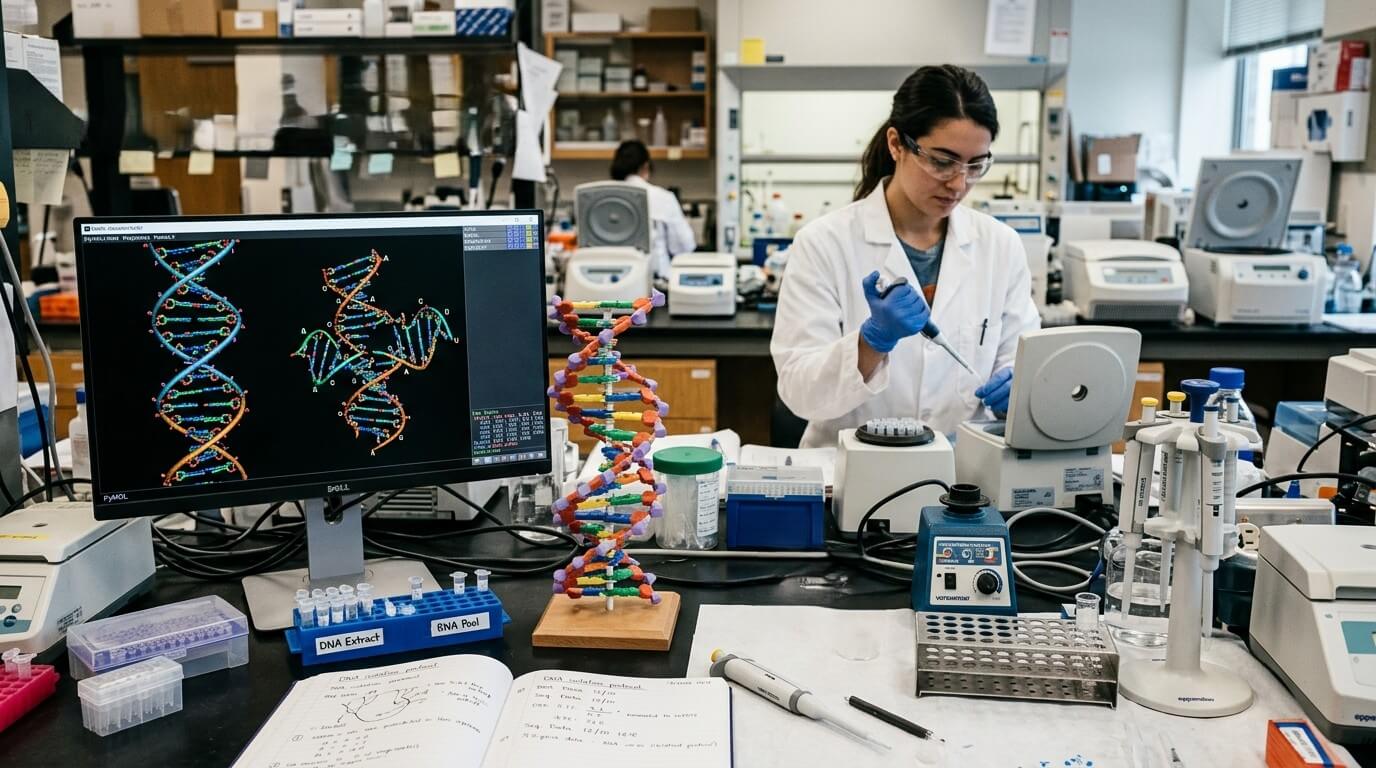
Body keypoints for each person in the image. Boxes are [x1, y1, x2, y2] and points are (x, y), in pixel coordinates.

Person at [770, 65, 1040, 448]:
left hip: (965, 477)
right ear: (896, 144)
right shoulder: (824, 243)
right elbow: (798, 392)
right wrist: (871, 343)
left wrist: (1020, 389)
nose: (959, 183)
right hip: (853, 475)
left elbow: (1021, 360)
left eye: (975, 165)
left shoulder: (1001, 246)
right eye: (942, 161)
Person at [610, 140, 696, 278]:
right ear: (646, 166)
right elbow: (684, 246)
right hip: (656, 282)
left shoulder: (605, 198)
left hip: (614, 282)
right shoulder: (663, 198)